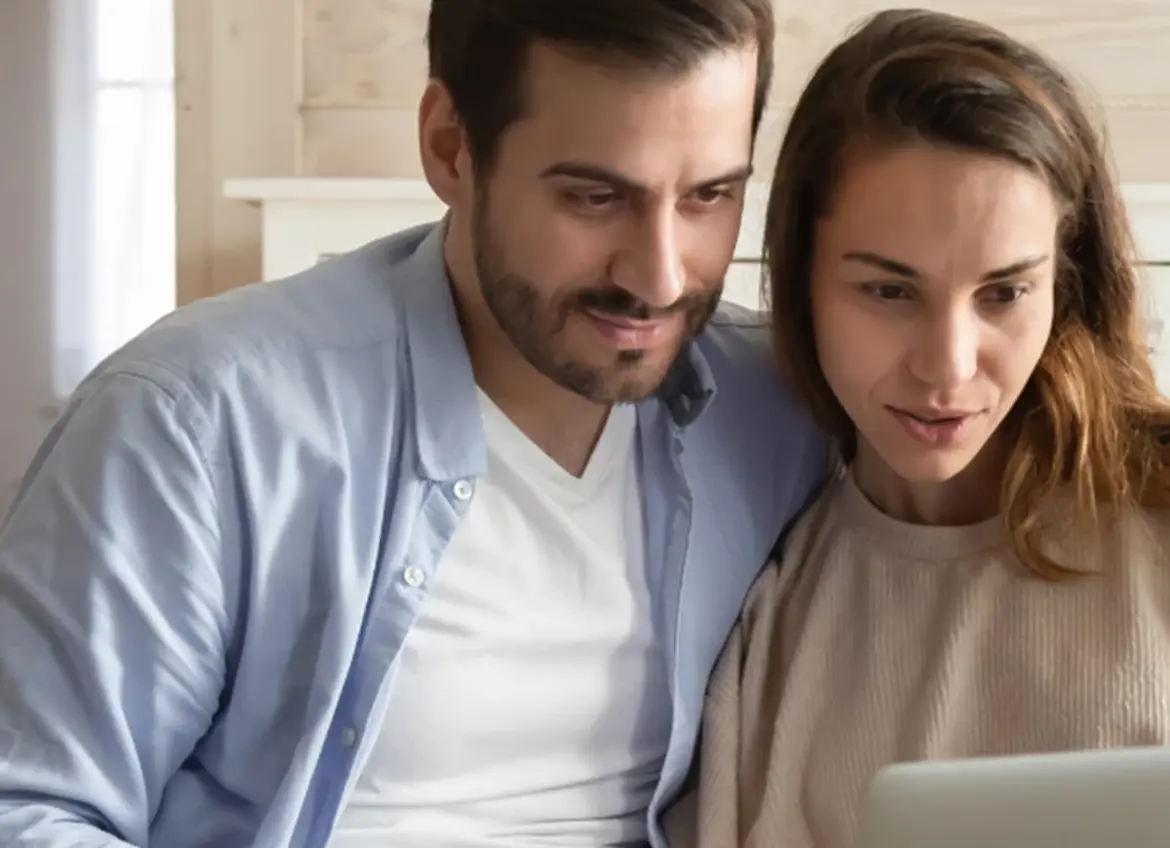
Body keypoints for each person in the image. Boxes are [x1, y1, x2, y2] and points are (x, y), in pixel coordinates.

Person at [0, 2, 827, 846]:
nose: (657, 276)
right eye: (593, 197)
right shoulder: (200, 421)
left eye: (709, 197)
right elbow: (27, 807)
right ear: (449, 146)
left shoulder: (780, 410)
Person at [664, 8, 1170, 848]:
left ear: (1064, 283)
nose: (947, 368)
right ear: (803, 283)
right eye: (890, 292)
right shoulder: (764, 608)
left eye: (1004, 293)